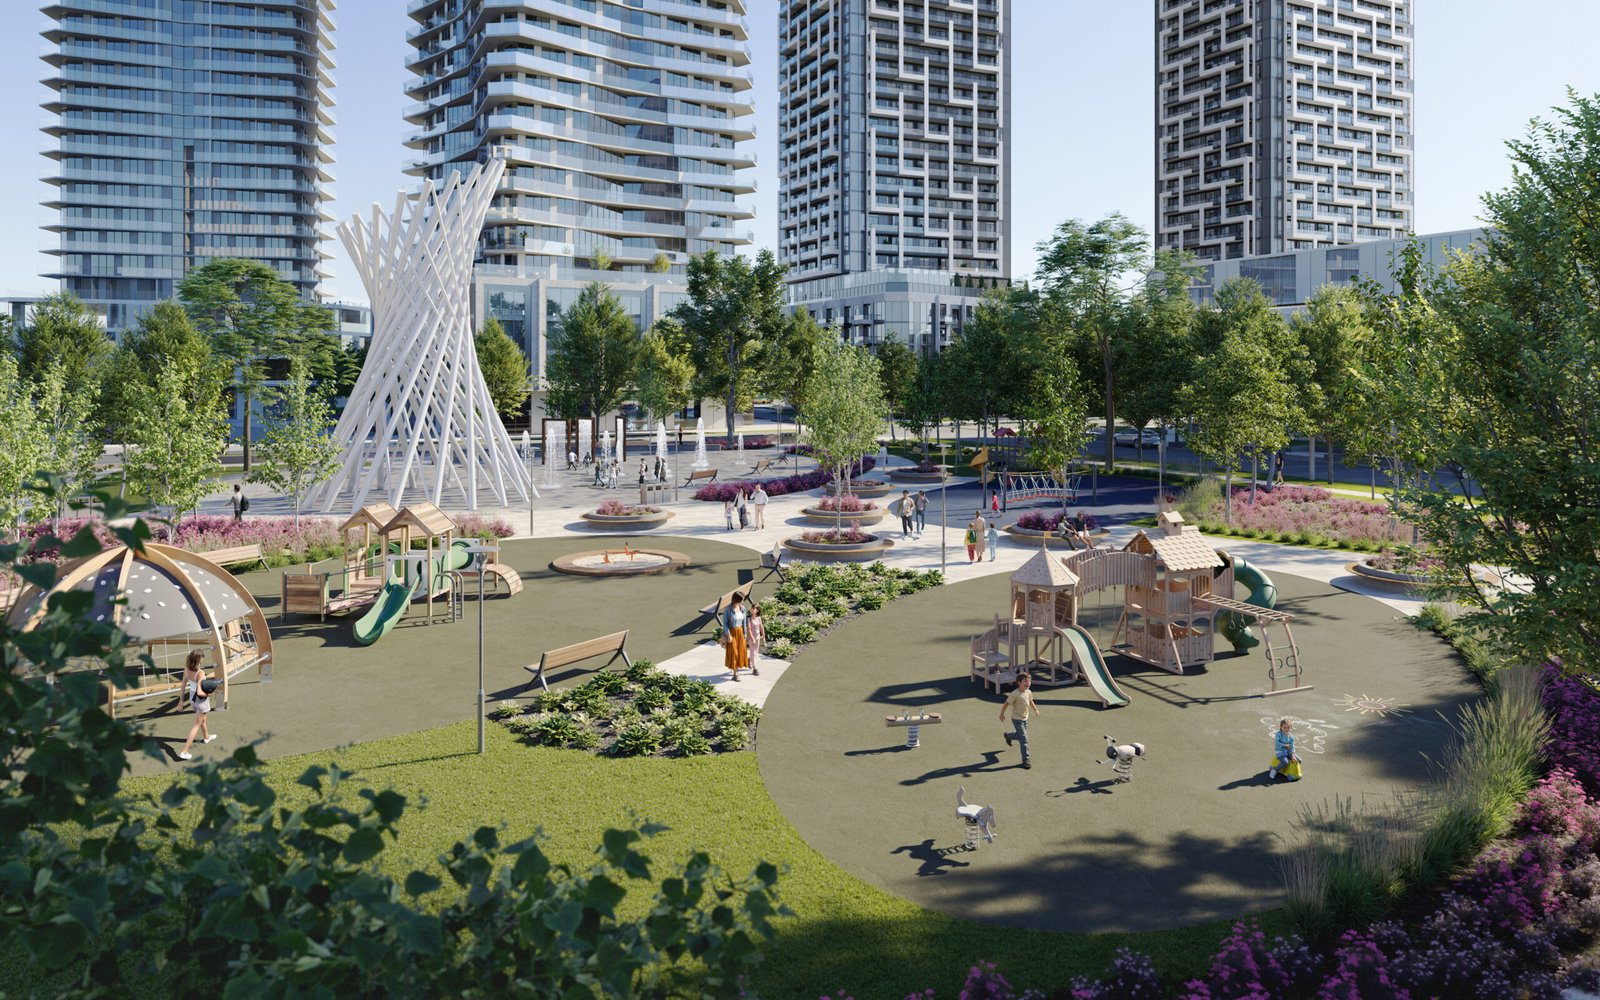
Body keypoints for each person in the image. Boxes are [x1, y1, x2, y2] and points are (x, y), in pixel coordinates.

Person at [176, 650, 218, 761]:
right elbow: (200, 692)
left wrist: (181, 701)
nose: (202, 661)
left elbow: (183, 686)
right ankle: (184, 752)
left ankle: (206, 737)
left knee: (203, 719)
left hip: (192, 699)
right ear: (198, 660)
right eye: (201, 660)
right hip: (200, 701)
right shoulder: (200, 673)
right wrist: (209, 693)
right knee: (196, 726)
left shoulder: (186, 669)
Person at [998, 671, 1039, 769]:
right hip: (1016, 719)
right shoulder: (1015, 694)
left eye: (1029, 681)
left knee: (1020, 736)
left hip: (1025, 718)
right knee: (1024, 739)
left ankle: (1008, 735)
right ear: (1019, 682)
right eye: (1025, 681)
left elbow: (1030, 701)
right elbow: (1006, 703)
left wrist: (1036, 709)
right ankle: (1026, 759)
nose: (1028, 683)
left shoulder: (1028, 692)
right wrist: (1001, 713)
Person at [722, 591, 750, 681]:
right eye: (741, 600)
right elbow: (725, 624)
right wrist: (728, 635)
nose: (742, 602)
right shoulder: (728, 609)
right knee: (734, 652)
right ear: (736, 600)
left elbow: (744, 622)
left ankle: (737, 668)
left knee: (740, 651)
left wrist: (745, 634)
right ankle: (735, 673)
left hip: (740, 632)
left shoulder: (742, 608)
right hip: (732, 632)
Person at [745, 602, 765, 677]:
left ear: (757, 610)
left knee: (755, 652)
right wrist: (752, 638)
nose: (752, 609)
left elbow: (761, 627)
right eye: (752, 608)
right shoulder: (748, 618)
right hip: (751, 638)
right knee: (753, 653)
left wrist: (764, 637)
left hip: (758, 637)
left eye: (754, 609)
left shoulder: (759, 618)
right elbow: (749, 629)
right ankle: (755, 668)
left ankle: (749, 660)